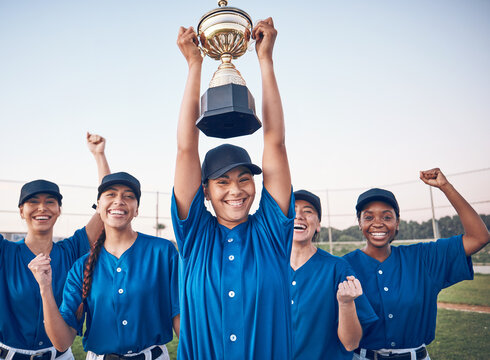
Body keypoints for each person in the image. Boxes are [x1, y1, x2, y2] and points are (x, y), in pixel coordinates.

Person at [173, 18, 294, 359]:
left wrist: (265, 60)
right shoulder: (194, 236)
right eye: (222, 181)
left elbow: (276, 143)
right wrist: (194, 64)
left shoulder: (271, 231)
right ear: (205, 191)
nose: (235, 190)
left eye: (244, 178)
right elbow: (185, 150)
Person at [0, 112, 107, 360]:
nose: (42, 208)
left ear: (59, 210)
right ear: (21, 211)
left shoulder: (71, 250)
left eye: (50, 202)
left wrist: (99, 156)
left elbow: (105, 211)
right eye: (32, 202)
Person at [29, 171, 180, 360]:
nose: (119, 201)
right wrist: (45, 288)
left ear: (137, 209)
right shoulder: (81, 266)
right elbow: (62, 341)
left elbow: (179, 316)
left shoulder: (162, 252)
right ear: (99, 207)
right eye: (111, 194)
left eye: (129, 196)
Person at [343, 168, 490, 360]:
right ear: (359, 223)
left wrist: (446, 187)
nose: (377, 223)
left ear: (397, 223)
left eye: (387, 217)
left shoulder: (423, 257)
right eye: (368, 217)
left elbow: (479, 237)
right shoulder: (343, 265)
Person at [290, 189, 378, 360]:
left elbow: (351, 343)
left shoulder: (337, 268)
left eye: (308, 211)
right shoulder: (267, 268)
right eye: (292, 211)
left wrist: (345, 303)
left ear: (318, 225)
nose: (299, 216)